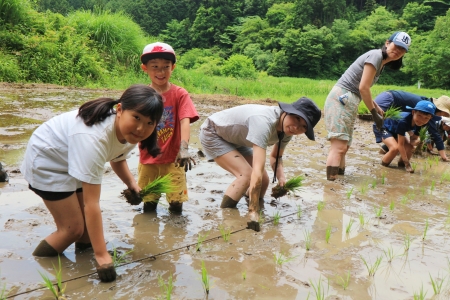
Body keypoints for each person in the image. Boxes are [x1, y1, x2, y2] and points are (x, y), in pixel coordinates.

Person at [20, 85, 164, 282]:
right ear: (120, 109)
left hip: (72, 159)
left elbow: (117, 157)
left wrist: (132, 184)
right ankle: (36, 266)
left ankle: (82, 268)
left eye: (149, 122)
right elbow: (92, 203)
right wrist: (102, 256)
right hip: (48, 162)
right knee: (72, 230)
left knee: (87, 234)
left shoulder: (130, 132)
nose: (141, 128)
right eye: (137, 117)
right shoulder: (93, 138)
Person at [199, 97, 321, 232]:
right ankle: (228, 216)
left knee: (264, 181)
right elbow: (256, 171)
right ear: (288, 112)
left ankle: (250, 201)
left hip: (238, 140)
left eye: (304, 126)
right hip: (213, 133)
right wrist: (253, 212)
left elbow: (276, 156)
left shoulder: (287, 130)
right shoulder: (263, 122)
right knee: (246, 175)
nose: (296, 127)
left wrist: (281, 179)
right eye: (297, 119)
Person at [324, 31, 411, 181]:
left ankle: (337, 181)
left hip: (349, 99)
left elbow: (363, 87)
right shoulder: (376, 56)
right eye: (396, 46)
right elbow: (363, 87)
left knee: (344, 146)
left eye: (402, 50)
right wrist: (373, 113)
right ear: (387, 43)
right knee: (339, 146)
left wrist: (376, 106)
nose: (398, 51)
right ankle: (331, 187)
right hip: (342, 97)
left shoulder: (381, 63)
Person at [138, 42, 199, 213]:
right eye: (155, 67)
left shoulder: (179, 94)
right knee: (149, 205)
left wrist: (184, 148)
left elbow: (184, 120)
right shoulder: (142, 94)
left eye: (166, 67)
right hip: (148, 159)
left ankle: (175, 238)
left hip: (175, 159)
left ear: (173, 67)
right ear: (145, 68)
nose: (160, 72)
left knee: (176, 204)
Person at [374, 92, 450, 161]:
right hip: (387, 100)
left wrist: (414, 139)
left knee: (405, 145)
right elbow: (435, 134)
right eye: (444, 114)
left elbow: (410, 129)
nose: (442, 116)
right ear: (441, 110)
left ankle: (385, 151)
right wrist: (444, 157)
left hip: (392, 112)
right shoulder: (425, 110)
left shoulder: (426, 109)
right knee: (394, 147)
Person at [379, 101, 442, 172]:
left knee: (410, 148)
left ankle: (401, 166)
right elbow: (400, 145)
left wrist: (416, 141)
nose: (422, 120)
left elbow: (413, 138)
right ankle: (383, 167)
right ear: (413, 112)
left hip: (396, 130)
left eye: (426, 118)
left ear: (430, 118)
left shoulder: (422, 124)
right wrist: (407, 164)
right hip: (383, 127)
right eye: (419, 116)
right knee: (395, 148)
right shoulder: (403, 121)